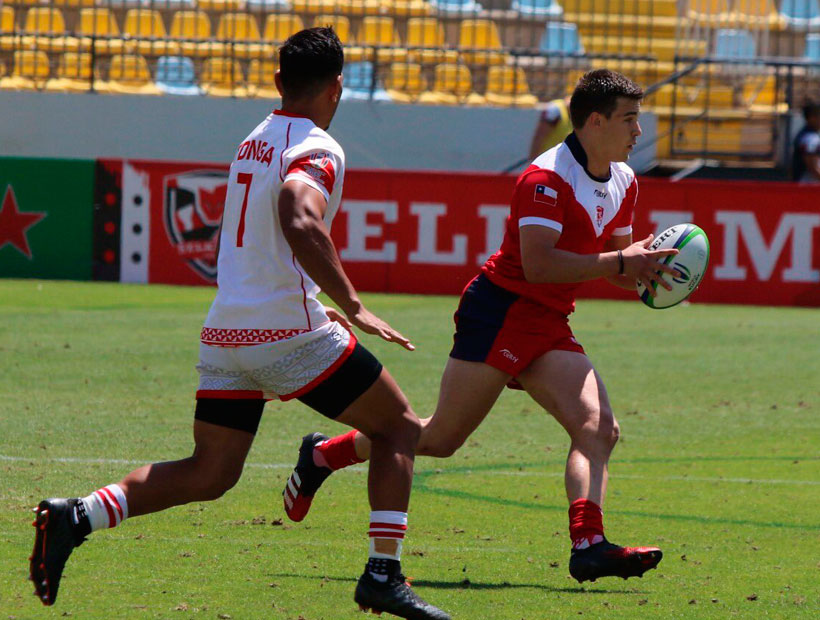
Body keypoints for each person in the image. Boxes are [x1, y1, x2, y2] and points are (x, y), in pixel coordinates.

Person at [29, 28, 450, 620]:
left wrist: (306, 296)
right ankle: (383, 574)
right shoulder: (318, 147)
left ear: (278, 82)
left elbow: (264, 238)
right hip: (288, 334)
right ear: (338, 87)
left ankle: (79, 514)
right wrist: (352, 304)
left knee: (211, 471)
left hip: (228, 331)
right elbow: (300, 220)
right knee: (400, 428)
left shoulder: (253, 140)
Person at [283, 69, 678, 585]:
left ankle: (589, 545)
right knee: (441, 438)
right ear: (595, 122)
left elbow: (616, 261)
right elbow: (539, 265)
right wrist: (620, 264)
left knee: (599, 428)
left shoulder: (625, 181)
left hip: (548, 320)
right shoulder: (545, 179)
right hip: (501, 311)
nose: (638, 132)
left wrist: (646, 272)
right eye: (630, 119)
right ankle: (323, 455)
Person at [528, 96, 573, 161]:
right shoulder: (554, 110)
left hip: (562, 161)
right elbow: (539, 136)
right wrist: (533, 159)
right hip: (547, 160)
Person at [792, 101, 820, 183]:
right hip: (808, 185)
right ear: (812, 118)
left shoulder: (806, 135)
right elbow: (812, 167)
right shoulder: (810, 138)